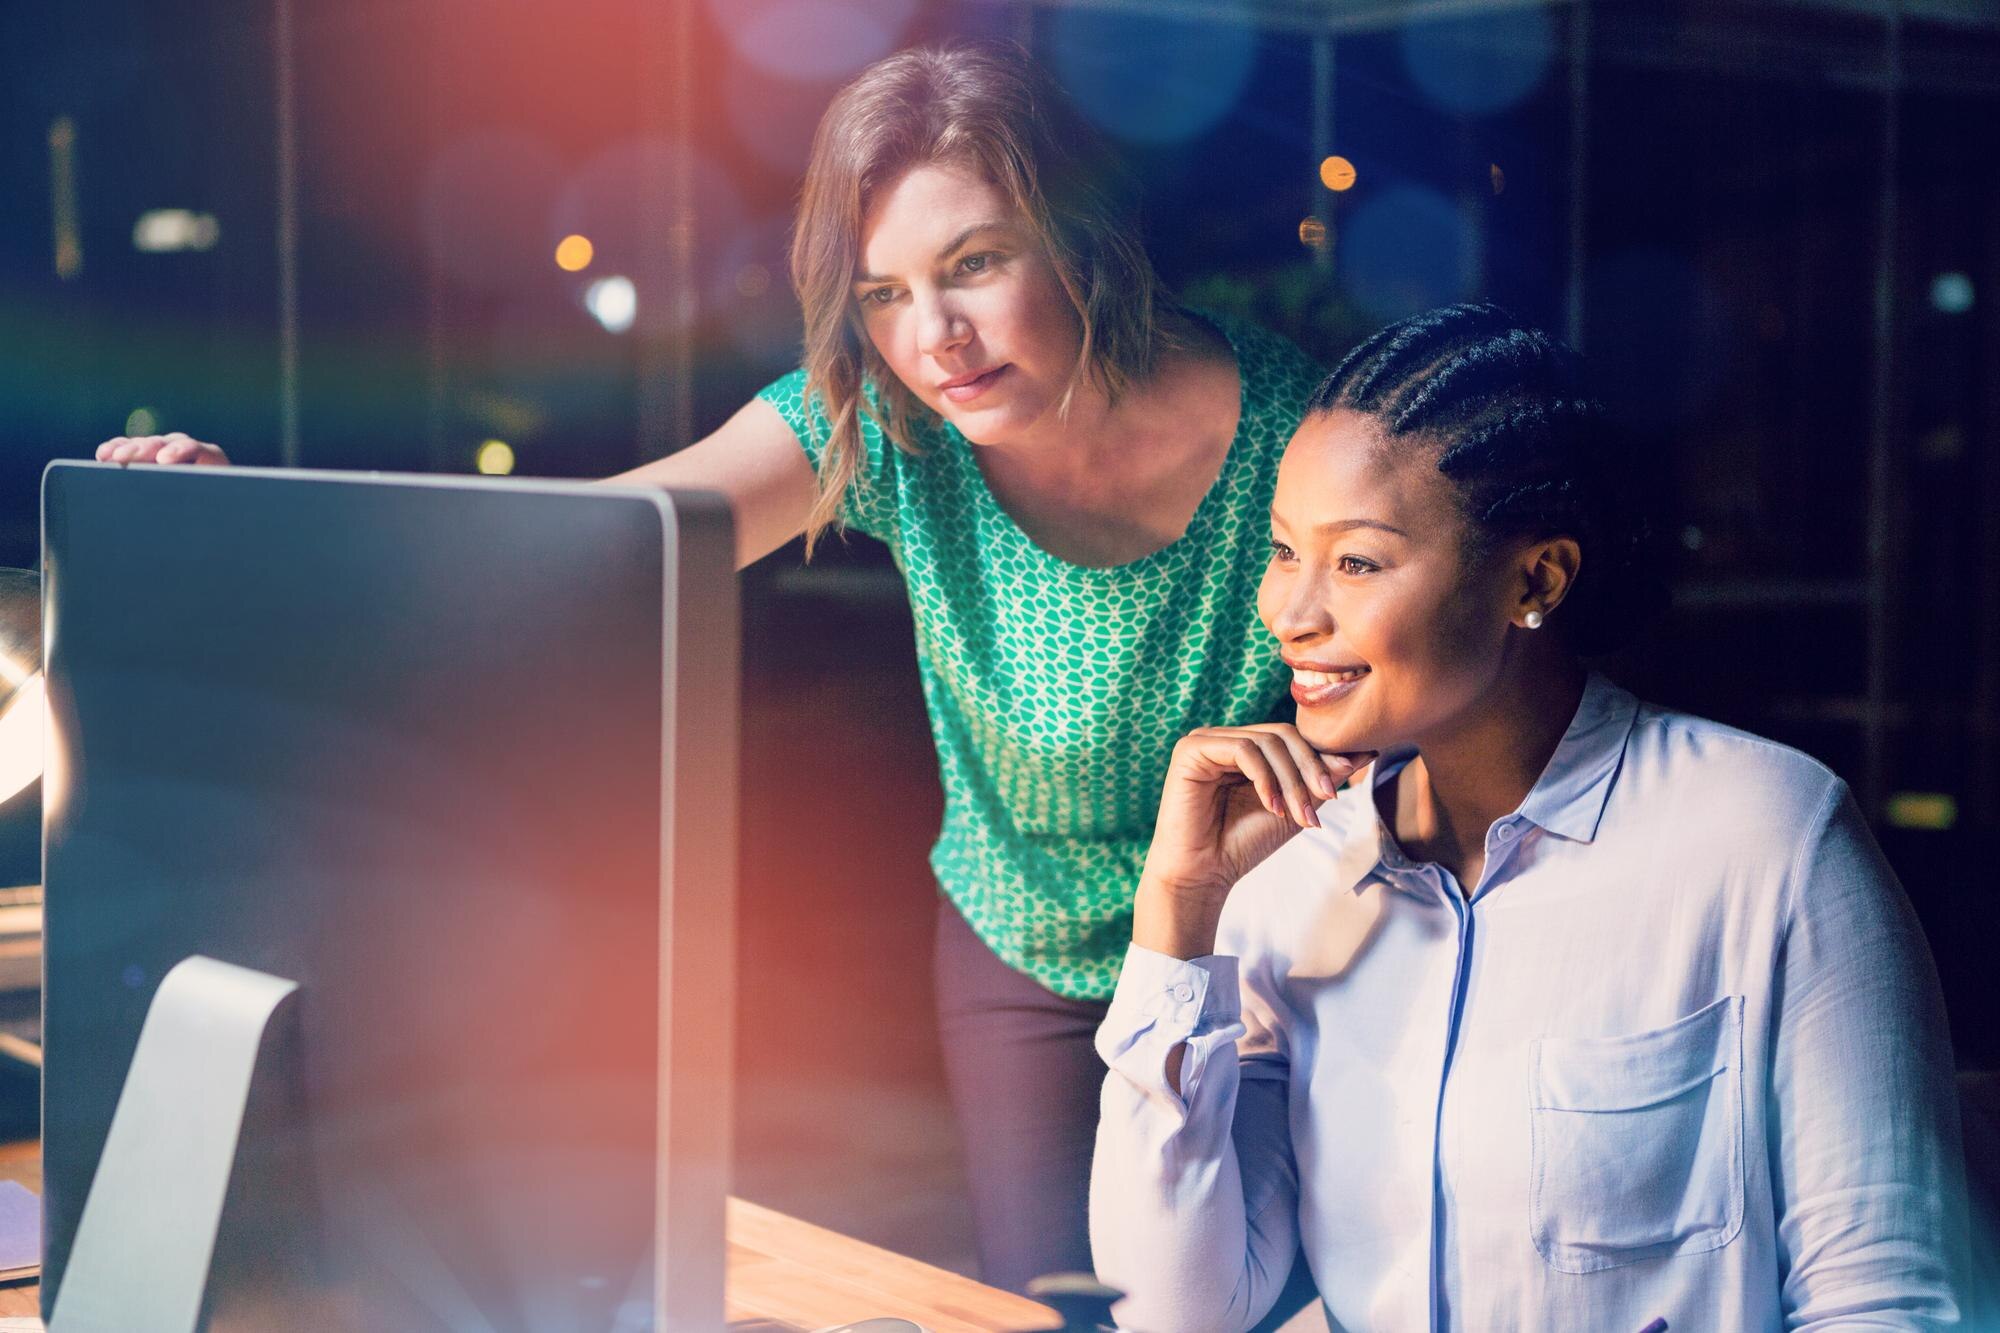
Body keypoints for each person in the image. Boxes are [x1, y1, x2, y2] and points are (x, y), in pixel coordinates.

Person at [95, 42, 1327, 1291]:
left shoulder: (1298, 434)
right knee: (1053, 1301)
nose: (934, 336)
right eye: (883, 293)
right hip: (1018, 943)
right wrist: (243, 520)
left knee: (1259, 1295)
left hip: (1264, 941)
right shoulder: (884, 423)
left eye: (974, 264)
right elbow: (573, 554)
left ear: (1082, 239)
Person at [1090, 303, 1966, 1330]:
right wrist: (1179, 909)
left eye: (1355, 562)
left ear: (1533, 579)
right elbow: (1170, 1312)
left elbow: (1886, 1299)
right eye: (1284, 551)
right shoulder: (1288, 878)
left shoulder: (1766, 839)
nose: (1288, 612)